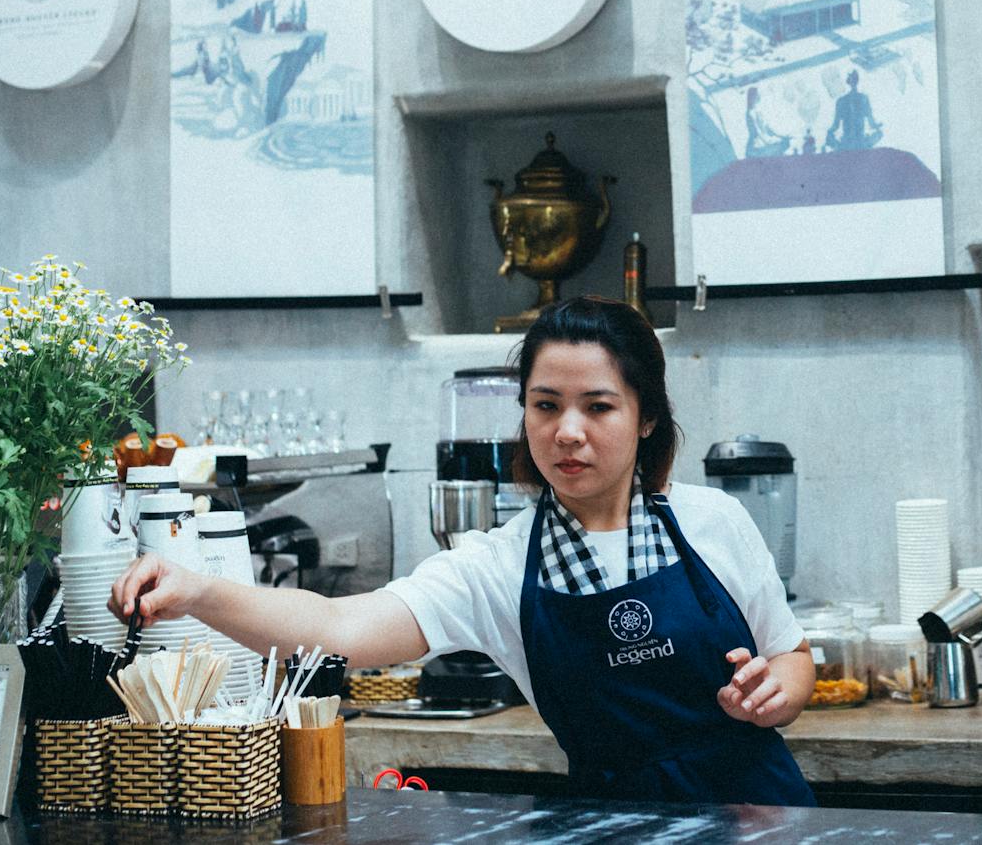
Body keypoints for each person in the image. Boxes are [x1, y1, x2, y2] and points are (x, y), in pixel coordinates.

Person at [110, 298, 816, 807]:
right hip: (614, 824)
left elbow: (793, 656)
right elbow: (337, 628)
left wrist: (778, 691)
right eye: (545, 405)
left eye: (598, 406)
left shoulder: (714, 521)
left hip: (761, 818)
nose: (568, 431)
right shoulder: (499, 565)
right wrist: (196, 589)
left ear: (647, 415)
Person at [824, 70, 882, 152]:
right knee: (879, 134)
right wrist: (878, 128)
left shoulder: (841, 101)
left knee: (832, 141)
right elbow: (872, 123)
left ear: (848, 82)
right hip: (861, 142)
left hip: (847, 143)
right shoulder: (863, 98)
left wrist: (829, 133)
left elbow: (835, 126)